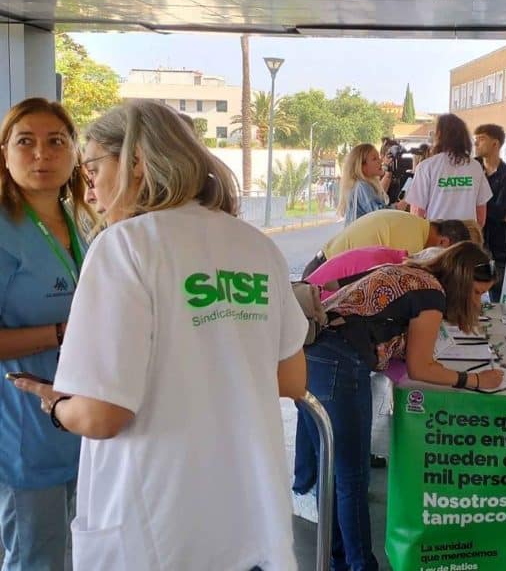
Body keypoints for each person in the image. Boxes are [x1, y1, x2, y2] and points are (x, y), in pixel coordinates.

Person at [12, 100, 307, 570]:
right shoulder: (255, 246)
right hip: (243, 518)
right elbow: (290, 380)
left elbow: (102, 415)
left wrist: (56, 405)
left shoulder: (124, 246)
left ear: (135, 163)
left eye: (93, 169)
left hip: (155, 528)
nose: (90, 190)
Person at [295, 242, 504, 570]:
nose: (478, 302)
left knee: (331, 470)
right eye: (477, 293)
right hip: (338, 363)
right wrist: (475, 381)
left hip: (308, 355)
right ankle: (360, 565)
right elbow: (422, 368)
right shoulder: (432, 295)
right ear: (462, 282)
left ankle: (339, 562)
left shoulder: (412, 273)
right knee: (350, 478)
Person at [0, 97, 94, 571]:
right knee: (36, 555)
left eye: (56, 141)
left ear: (75, 152)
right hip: (24, 423)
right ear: (4, 153)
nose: (42, 154)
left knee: (80, 550)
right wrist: (61, 332)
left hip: (81, 416)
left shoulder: (81, 220)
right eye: (26, 142)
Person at [301, 208, 482, 278]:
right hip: (322, 282)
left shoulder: (416, 225)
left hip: (326, 272)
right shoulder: (413, 244)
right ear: (444, 242)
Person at [405, 113, 491, 225]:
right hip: (468, 236)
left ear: (439, 135)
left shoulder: (426, 167)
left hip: (436, 237)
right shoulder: (475, 167)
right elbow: (480, 215)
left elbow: (417, 214)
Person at [473, 123, 506, 302]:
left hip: (497, 242)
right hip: (474, 240)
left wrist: (476, 198)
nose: (476, 144)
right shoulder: (471, 168)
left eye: (481, 139)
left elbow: (500, 212)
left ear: (495, 144)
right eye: (475, 140)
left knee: (496, 293)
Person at [337, 143, 404, 225]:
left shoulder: (362, 184)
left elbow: (379, 198)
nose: (380, 161)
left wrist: (388, 172)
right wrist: (400, 205)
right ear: (362, 166)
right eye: (374, 159)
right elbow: (378, 213)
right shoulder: (362, 185)